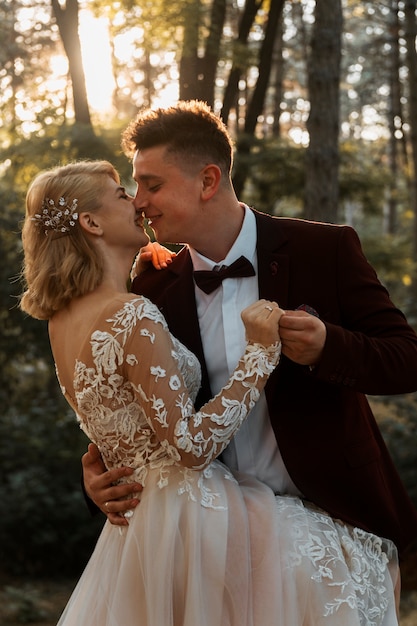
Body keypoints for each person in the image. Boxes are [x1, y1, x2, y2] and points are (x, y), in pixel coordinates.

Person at [20, 160, 401, 626]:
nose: (138, 200)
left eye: (150, 185)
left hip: (173, 530)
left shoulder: (67, 316)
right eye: (126, 192)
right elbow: (177, 442)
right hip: (204, 525)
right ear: (91, 223)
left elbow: (120, 407)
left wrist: (328, 346)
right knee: (352, 569)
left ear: (208, 179)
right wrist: (260, 353)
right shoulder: (145, 299)